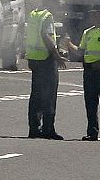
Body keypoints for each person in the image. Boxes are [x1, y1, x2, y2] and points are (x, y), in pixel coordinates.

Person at [63, 6, 100, 142]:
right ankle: (92, 133)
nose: (92, 17)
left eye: (95, 15)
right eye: (92, 15)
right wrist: (69, 44)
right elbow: (81, 51)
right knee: (90, 102)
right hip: (89, 71)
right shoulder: (88, 33)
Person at [24, 8, 67, 140]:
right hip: (46, 59)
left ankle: (34, 128)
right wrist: (57, 55)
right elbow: (46, 35)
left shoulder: (34, 14)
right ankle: (48, 129)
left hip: (34, 58)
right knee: (49, 96)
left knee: (36, 95)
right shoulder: (47, 16)